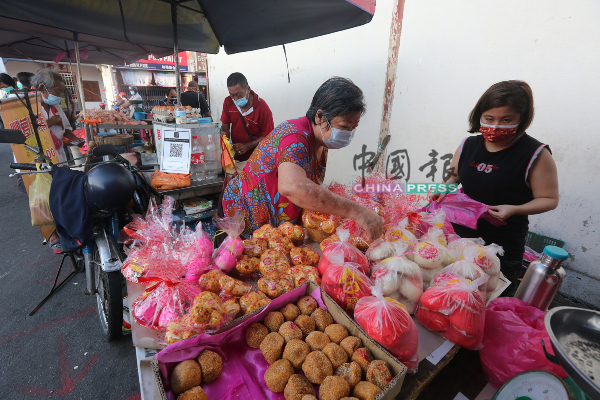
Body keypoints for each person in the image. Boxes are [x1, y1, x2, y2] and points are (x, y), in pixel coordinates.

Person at [433, 80, 559, 296]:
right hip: (459, 239)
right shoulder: (468, 145)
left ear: (522, 119)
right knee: (452, 297)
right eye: (489, 119)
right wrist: (445, 188)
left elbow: (549, 198)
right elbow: (454, 176)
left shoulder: (535, 154)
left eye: (506, 120)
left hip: (502, 245)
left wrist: (514, 209)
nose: (496, 126)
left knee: (491, 301)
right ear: (479, 115)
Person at [222, 76, 384, 241]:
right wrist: (357, 211)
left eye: (352, 128)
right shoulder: (295, 137)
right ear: (320, 117)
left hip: (276, 218)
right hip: (246, 215)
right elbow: (292, 187)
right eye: (343, 127)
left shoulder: (320, 140)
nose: (348, 134)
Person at [32, 69, 83, 252]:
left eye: (61, 92)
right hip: (35, 159)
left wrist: (79, 141)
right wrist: (49, 122)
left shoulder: (55, 107)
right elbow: (28, 133)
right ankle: (52, 236)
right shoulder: (28, 106)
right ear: (41, 87)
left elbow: (66, 129)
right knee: (42, 200)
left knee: (61, 194)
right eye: (57, 91)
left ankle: (66, 229)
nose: (60, 96)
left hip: (58, 155)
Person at [221, 73, 274, 161]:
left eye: (239, 95)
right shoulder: (228, 102)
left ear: (248, 89)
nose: (236, 99)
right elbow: (225, 129)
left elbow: (268, 136)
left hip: (258, 158)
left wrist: (248, 146)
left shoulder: (262, 107)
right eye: (232, 95)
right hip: (237, 158)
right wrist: (226, 148)